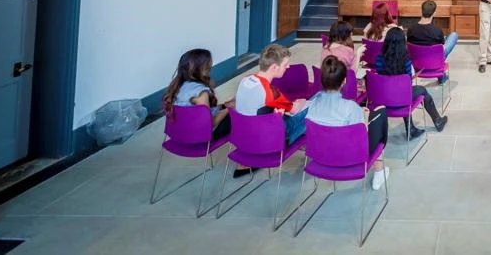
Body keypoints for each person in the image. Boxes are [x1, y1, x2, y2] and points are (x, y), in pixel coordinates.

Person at [307, 56, 390, 190]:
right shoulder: (350, 107)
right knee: (380, 114)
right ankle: (379, 171)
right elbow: (362, 135)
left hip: (321, 155)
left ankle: (380, 171)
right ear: (344, 81)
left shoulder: (312, 105)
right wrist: (365, 116)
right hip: (350, 157)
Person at [234, 44, 311, 176]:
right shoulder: (270, 92)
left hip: (244, 138)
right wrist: (303, 100)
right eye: (285, 64)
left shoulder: (245, 80)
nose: (288, 67)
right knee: (312, 107)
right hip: (267, 142)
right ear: (274, 67)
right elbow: (293, 109)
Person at [374, 28, 449, 138]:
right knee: (421, 90)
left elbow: (380, 75)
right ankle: (437, 121)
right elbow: (408, 82)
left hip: (383, 96)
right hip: (401, 97)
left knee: (403, 91)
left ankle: (411, 128)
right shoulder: (406, 61)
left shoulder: (379, 59)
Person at [163, 48, 231, 139]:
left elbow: (194, 112)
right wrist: (230, 109)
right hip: (198, 137)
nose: (211, 66)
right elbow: (209, 124)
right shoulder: (201, 93)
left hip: (178, 135)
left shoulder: (176, 87)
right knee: (234, 115)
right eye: (208, 66)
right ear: (199, 68)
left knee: (224, 107)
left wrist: (223, 107)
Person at [407, 0, 460, 84]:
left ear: (421, 11)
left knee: (445, 39)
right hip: (435, 63)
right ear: (434, 13)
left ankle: (440, 75)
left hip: (416, 63)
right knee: (453, 35)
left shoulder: (411, 29)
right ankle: (441, 77)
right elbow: (442, 48)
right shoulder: (437, 31)